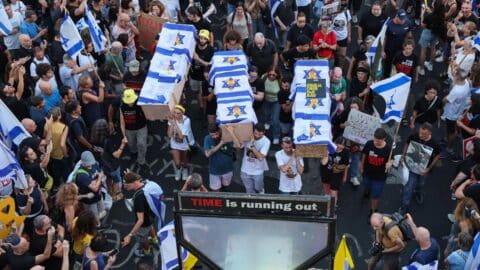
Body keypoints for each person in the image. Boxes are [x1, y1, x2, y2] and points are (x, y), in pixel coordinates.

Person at [399, 123, 441, 214]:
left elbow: (437, 155)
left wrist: (429, 168)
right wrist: (403, 156)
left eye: (423, 134)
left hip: (424, 169)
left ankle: (418, 192)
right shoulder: (414, 136)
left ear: (429, 133)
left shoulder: (434, 143)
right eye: (420, 133)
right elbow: (407, 143)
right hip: (412, 166)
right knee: (409, 186)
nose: (420, 135)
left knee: (421, 183)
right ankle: (404, 207)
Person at [122, 172, 157, 257]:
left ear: (134, 182)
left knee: (143, 237)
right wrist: (129, 175)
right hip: (152, 215)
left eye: (127, 185)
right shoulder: (146, 183)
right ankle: (155, 240)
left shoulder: (138, 198)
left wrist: (130, 235)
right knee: (151, 226)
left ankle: (147, 251)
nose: (124, 187)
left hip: (144, 222)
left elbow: (140, 220)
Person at [228, 123, 270, 194]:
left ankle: (260, 190)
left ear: (264, 133)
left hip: (258, 171)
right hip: (245, 170)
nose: (257, 136)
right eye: (256, 133)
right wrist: (231, 132)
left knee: (258, 188)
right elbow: (238, 147)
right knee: (249, 190)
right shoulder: (247, 136)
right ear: (253, 131)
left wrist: (252, 145)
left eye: (260, 134)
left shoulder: (266, 141)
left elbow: (260, 157)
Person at [361, 128, 392, 218]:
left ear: (384, 139)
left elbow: (391, 159)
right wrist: (361, 165)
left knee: (375, 196)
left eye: (379, 140)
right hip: (367, 173)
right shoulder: (369, 144)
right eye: (375, 139)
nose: (376, 142)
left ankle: (373, 210)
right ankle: (367, 190)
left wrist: (390, 163)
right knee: (366, 185)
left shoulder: (387, 149)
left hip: (379, 177)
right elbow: (364, 154)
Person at [441, 68, 470, 157]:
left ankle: (449, 148)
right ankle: (448, 139)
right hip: (459, 110)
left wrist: (443, 100)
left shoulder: (456, 90)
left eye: (455, 74)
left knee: (451, 131)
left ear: (457, 77)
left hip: (452, 114)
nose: (453, 73)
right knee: (452, 130)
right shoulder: (466, 83)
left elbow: (445, 100)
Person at [119, 89, 148, 170]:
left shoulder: (140, 104)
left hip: (141, 127)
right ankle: (134, 152)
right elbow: (122, 122)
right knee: (131, 144)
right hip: (129, 129)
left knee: (141, 144)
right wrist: (124, 135)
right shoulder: (122, 107)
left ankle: (141, 161)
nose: (130, 103)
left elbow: (147, 114)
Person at [74, 151, 106, 223]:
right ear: (83, 162)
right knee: (94, 216)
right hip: (89, 200)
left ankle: (101, 222)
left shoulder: (94, 164)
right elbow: (95, 188)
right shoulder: (82, 175)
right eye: (87, 164)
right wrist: (99, 179)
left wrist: (96, 182)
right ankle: (98, 227)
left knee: (102, 211)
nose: (90, 165)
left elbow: (101, 173)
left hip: (98, 194)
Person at [167, 105, 195, 181]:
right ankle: (179, 169)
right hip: (175, 144)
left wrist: (174, 123)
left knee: (185, 159)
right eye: (175, 113)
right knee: (177, 162)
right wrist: (172, 124)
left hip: (185, 144)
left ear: (182, 113)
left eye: (178, 113)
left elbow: (181, 136)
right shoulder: (171, 120)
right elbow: (169, 135)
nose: (176, 115)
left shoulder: (187, 120)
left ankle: (185, 169)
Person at [203, 124, 234, 192]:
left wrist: (231, 132)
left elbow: (238, 147)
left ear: (219, 131)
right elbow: (207, 154)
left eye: (216, 134)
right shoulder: (207, 138)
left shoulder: (227, 136)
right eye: (212, 135)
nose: (214, 136)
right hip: (214, 171)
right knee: (215, 190)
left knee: (226, 186)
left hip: (227, 169)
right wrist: (221, 143)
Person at [320, 137, 349, 208]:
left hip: (337, 174)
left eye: (342, 145)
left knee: (334, 192)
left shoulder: (345, 153)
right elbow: (323, 163)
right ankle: (326, 202)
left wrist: (345, 176)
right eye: (338, 144)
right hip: (326, 172)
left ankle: (333, 207)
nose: (340, 146)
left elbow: (346, 165)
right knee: (327, 190)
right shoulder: (328, 149)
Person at [263, 66, 281, 144]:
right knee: (266, 114)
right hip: (266, 100)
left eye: (273, 75)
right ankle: (267, 121)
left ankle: (276, 136)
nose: (271, 76)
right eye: (270, 74)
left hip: (276, 101)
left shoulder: (280, 81)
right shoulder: (264, 78)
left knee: (275, 119)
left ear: (277, 75)